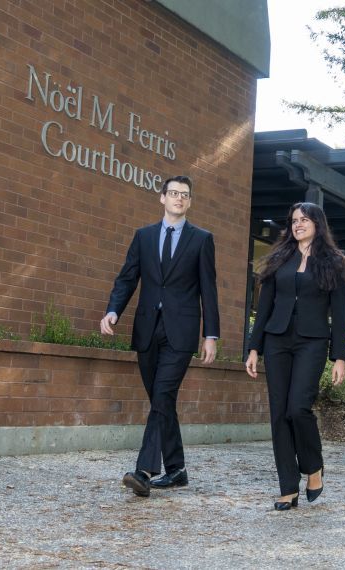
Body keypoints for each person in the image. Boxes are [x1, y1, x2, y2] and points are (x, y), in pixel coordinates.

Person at [100, 175, 219, 498]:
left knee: (163, 394)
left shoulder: (201, 239)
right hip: (147, 329)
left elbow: (209, 290)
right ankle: (177, 469)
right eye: (174, 193)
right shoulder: (143, 237)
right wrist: (113, 310)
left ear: (190, 202)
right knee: (161, 400)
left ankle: (144, 470)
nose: (179, 198)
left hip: (181, 332)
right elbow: (127, 278)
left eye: (185, 195)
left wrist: (211, 334)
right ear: (162, 197)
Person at [245, 202, 345, 511]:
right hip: (277, 340)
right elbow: (264, 307)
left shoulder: (334, 261)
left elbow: (340, 314)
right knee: (279, 414)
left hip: (312, 341)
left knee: (298, 408)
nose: (298, 225)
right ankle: (288, 487)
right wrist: (254, 347)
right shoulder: (280, 258)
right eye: (294, 221)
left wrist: (339, 357)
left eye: (304, 220)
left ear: (318, 222)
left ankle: (313, 467)